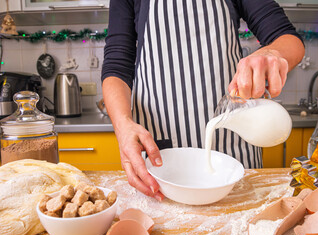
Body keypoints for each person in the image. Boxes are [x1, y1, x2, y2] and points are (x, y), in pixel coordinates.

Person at [101, 0, 305, 201]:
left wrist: (272, 53)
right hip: (160, 149)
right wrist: (122, 125)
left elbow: (289, 40)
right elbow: (117, 65)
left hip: (232, 148)